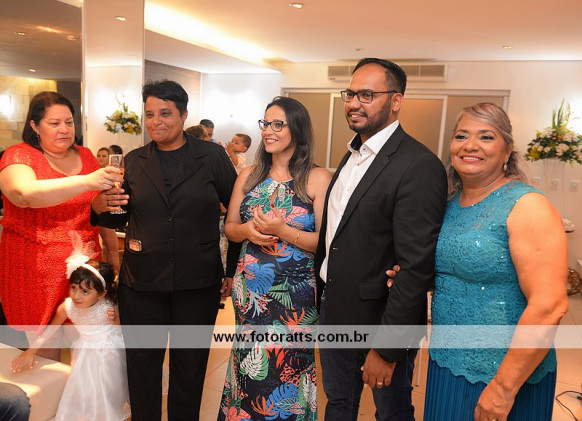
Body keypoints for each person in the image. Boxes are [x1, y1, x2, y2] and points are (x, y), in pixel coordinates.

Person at [388, 102, 569, 421]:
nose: (470, 145)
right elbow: (457, 269)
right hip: (447, 363)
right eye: (461, 136)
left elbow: (549, 306)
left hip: (504, 374)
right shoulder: (449, 204)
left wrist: (503, 388)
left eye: (486, 137)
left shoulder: (528, 206)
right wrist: (413, 277)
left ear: (507, 150)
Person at [91, 79, 239, 420]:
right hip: (142, 283)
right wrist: (100, 203)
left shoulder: (211, 156)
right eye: (150, 114)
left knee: (190, 368)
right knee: (142, 368)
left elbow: (237, 212)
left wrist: (231, 270)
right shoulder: (134, 160)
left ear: (184, 114)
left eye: (165, 113)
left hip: (197, 282)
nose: (156, 121)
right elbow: (117, 216)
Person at [314, 57, 448, 420]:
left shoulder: (418, 165)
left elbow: (416, 266)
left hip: (380, 319)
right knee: (338, 404)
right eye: (350, 94)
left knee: (391, 412)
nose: (354, 103)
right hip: (335, 309)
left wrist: (387, 348)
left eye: (367, 95)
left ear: (396, 101)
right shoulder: (353, 155)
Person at [217, 96, 332, 420]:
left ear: (297, 128)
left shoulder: (318, 178)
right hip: (251, 294)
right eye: (265, 123)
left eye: (277, 124)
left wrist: (283, 230)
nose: (268, 131)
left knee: (288, 369)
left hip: (296, 298)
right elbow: (230, 228)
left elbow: (325, 244)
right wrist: (247, 231)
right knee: (248, 366)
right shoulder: (249, 175)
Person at [0, 91, 121, 361]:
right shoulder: (19, 155)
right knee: (45, 348)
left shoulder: (86, 156)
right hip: (35, 270)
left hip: (84, 266)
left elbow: (96, 209)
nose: (64, 129)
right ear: (34, 125)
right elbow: (22, 194)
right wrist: (87, 182)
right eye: (54, 124)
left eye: (69, 122)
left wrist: (112, 252)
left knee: (90, 347)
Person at [11, 246, 130, 421]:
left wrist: (116, 320)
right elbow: (50, 330)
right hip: (85, 354)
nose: (77, 296)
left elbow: (124, 328)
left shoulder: (110, 305)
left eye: (85, 291)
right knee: (86, 387)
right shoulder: (67, 307)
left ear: (101, 294)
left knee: (111, 388)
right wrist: (31, 351)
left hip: (111, 353)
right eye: (73, 288)